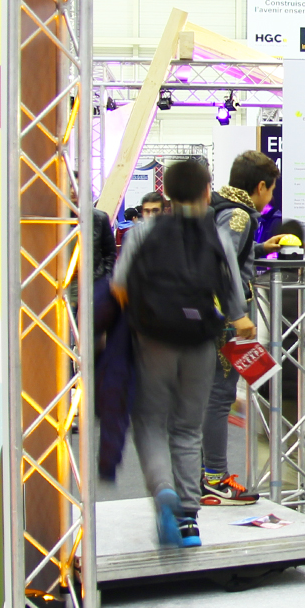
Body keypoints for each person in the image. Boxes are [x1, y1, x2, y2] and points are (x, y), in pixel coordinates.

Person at [110, 159, 256, 550]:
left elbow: (120, 285)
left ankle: (164, 494)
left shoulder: (144, 232)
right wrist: (241, 322)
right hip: (200, 339)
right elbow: (232, 290)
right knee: (188, 428)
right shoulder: (216, 234)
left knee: (151, 423)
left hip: (153, 339)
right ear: (207, 190)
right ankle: (190, 518)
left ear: (167, 194)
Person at [197, 150, 280, 507]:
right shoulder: (239, 216)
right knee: (220, 396)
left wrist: (259, 248)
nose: (271, 198)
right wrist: (236, 314)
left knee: (214, 396)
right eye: (272, 190)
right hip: (220, 319)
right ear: (260, 186)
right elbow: (220, 263)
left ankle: (207, 474)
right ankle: (215, 478)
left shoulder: (224, 209)